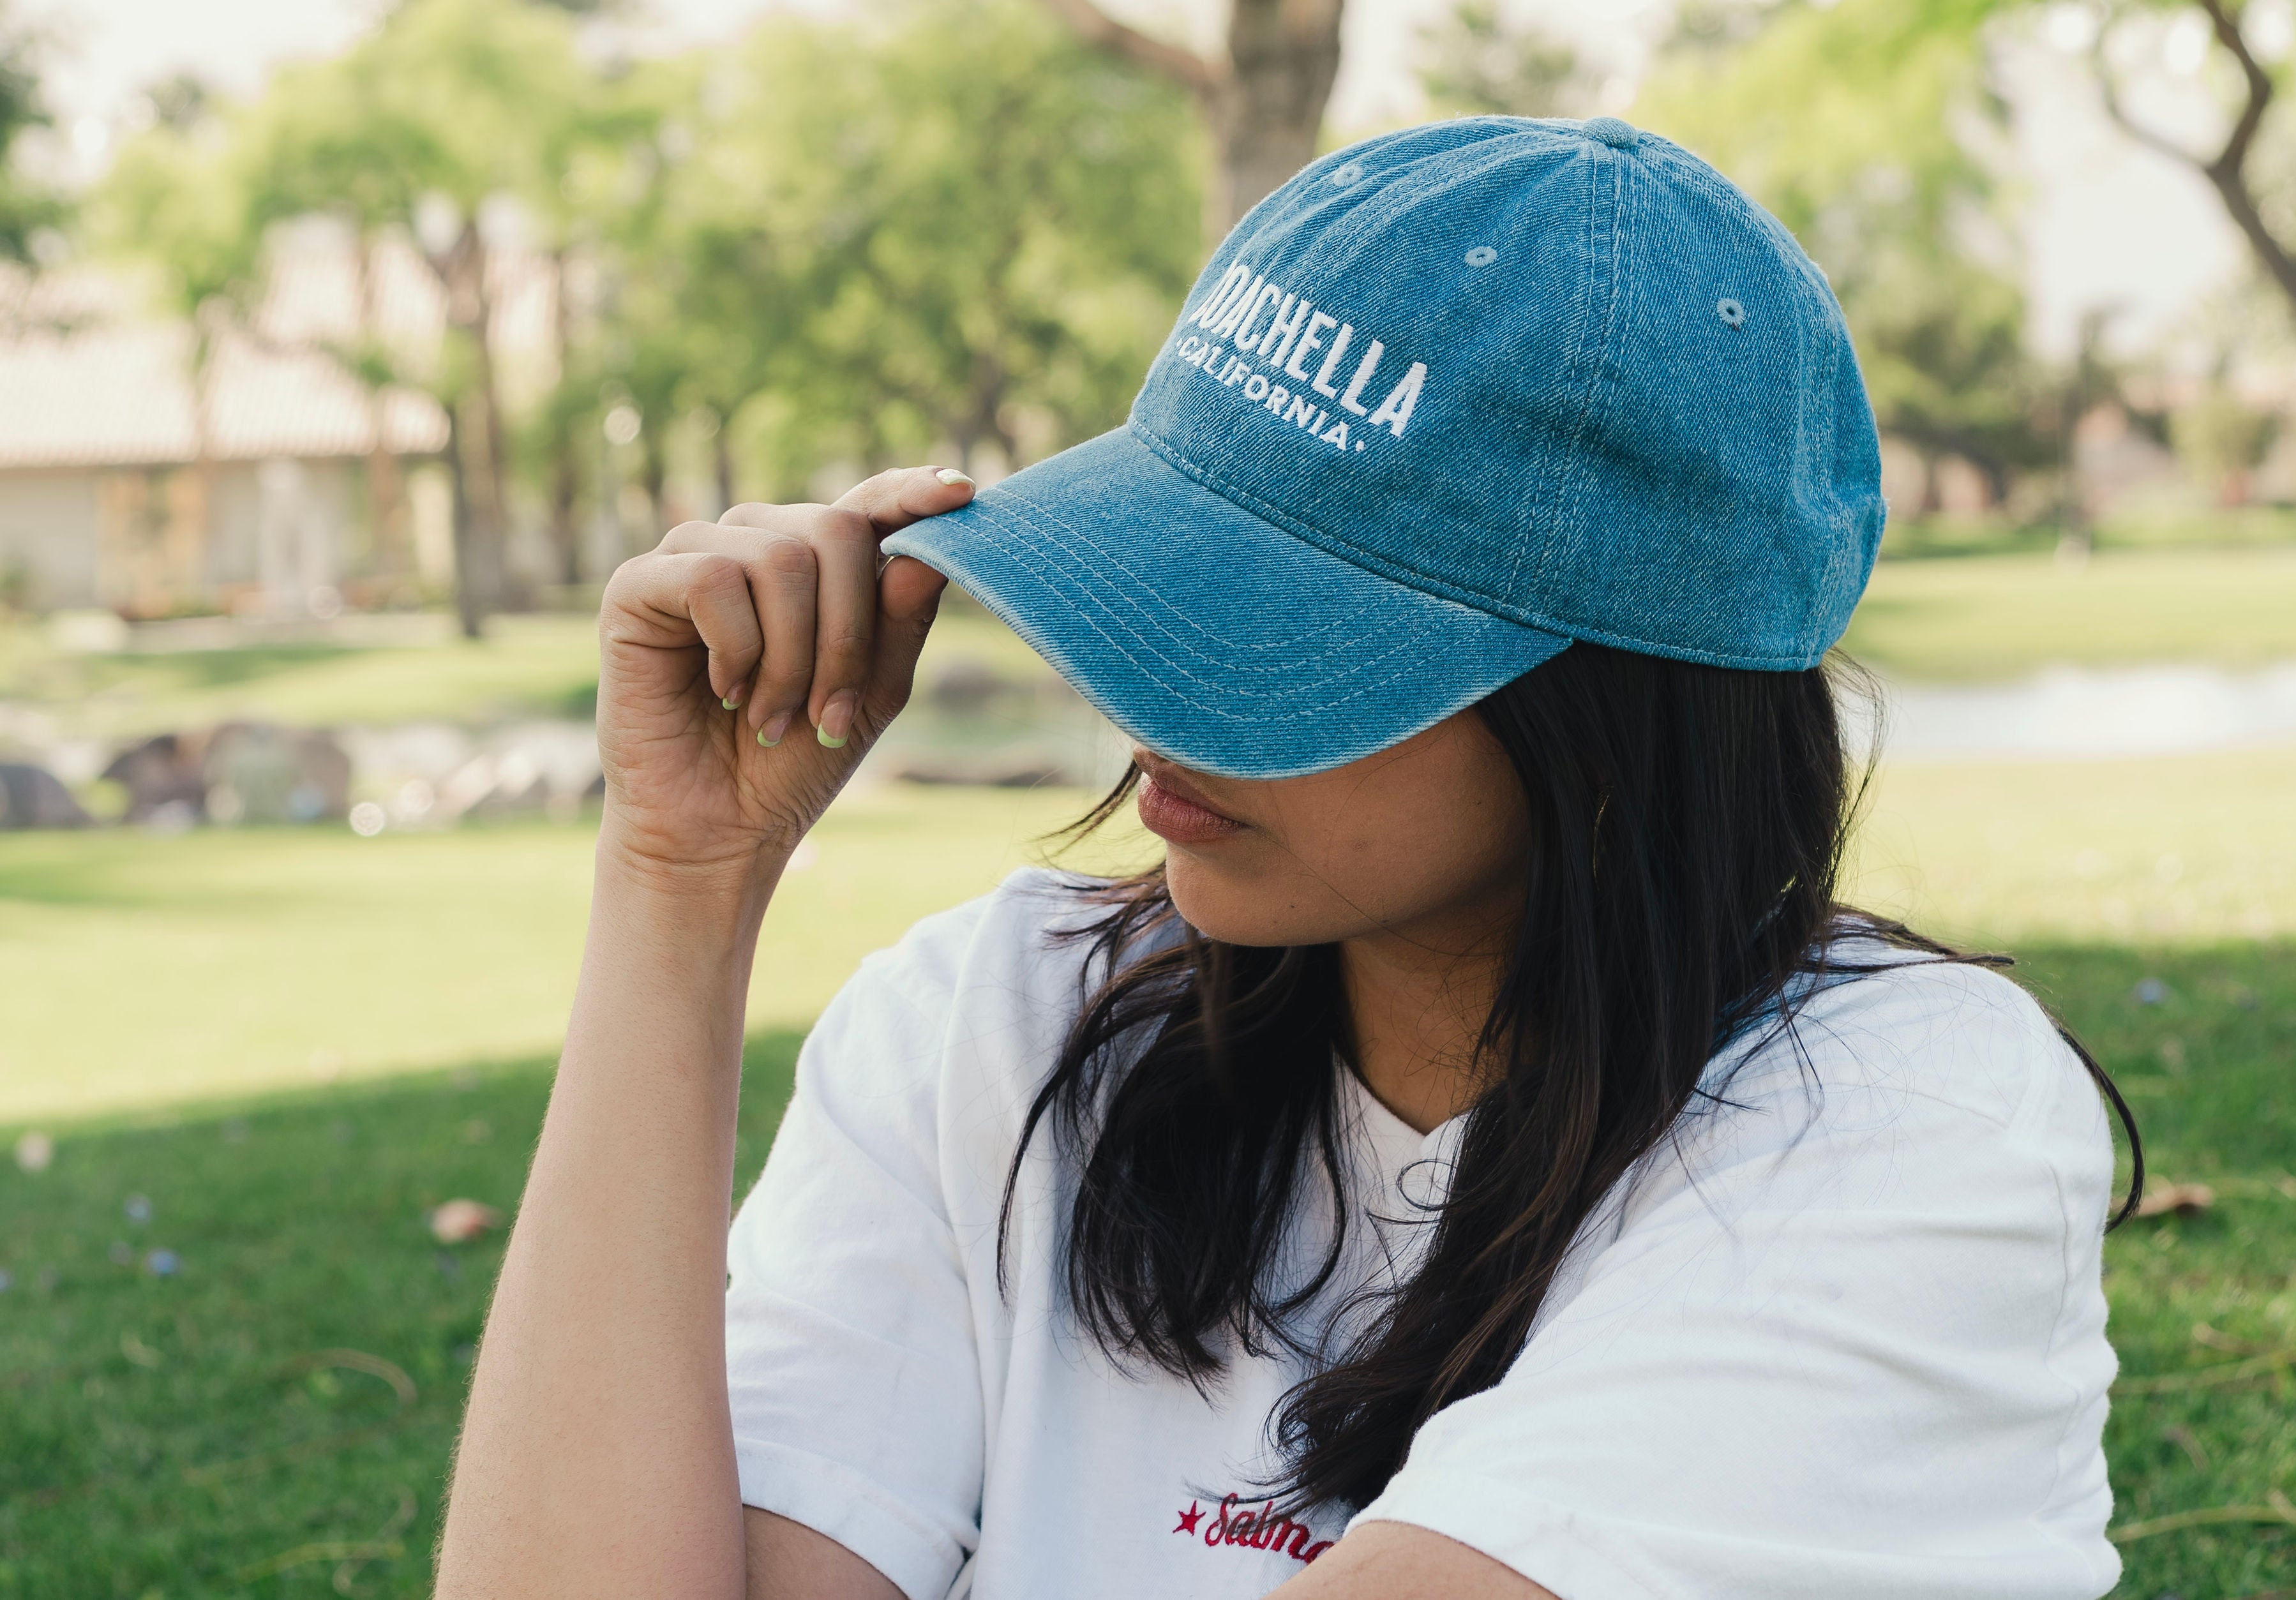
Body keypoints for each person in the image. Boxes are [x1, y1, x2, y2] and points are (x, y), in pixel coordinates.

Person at [434, 117, 2140, 1600]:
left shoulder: (1913, 1125)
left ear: (1614, 711)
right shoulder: (998, 1018)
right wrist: (681, 881)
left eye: (1279, 628)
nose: (1148, 696)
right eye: (1166, 566)